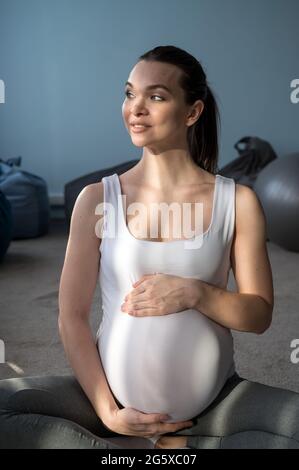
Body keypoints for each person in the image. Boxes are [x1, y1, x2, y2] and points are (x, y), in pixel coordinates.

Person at [0, 45, 278, 450]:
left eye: (157, 96)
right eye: (130, 93)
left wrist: (195, 292)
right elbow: (71, 317)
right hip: (109, 402)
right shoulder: (96, 199)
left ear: (192, 112)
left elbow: (259, 315)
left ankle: (175, 446)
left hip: (217, 402)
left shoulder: (237, 202)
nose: (136, 108)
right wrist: (108, 412)